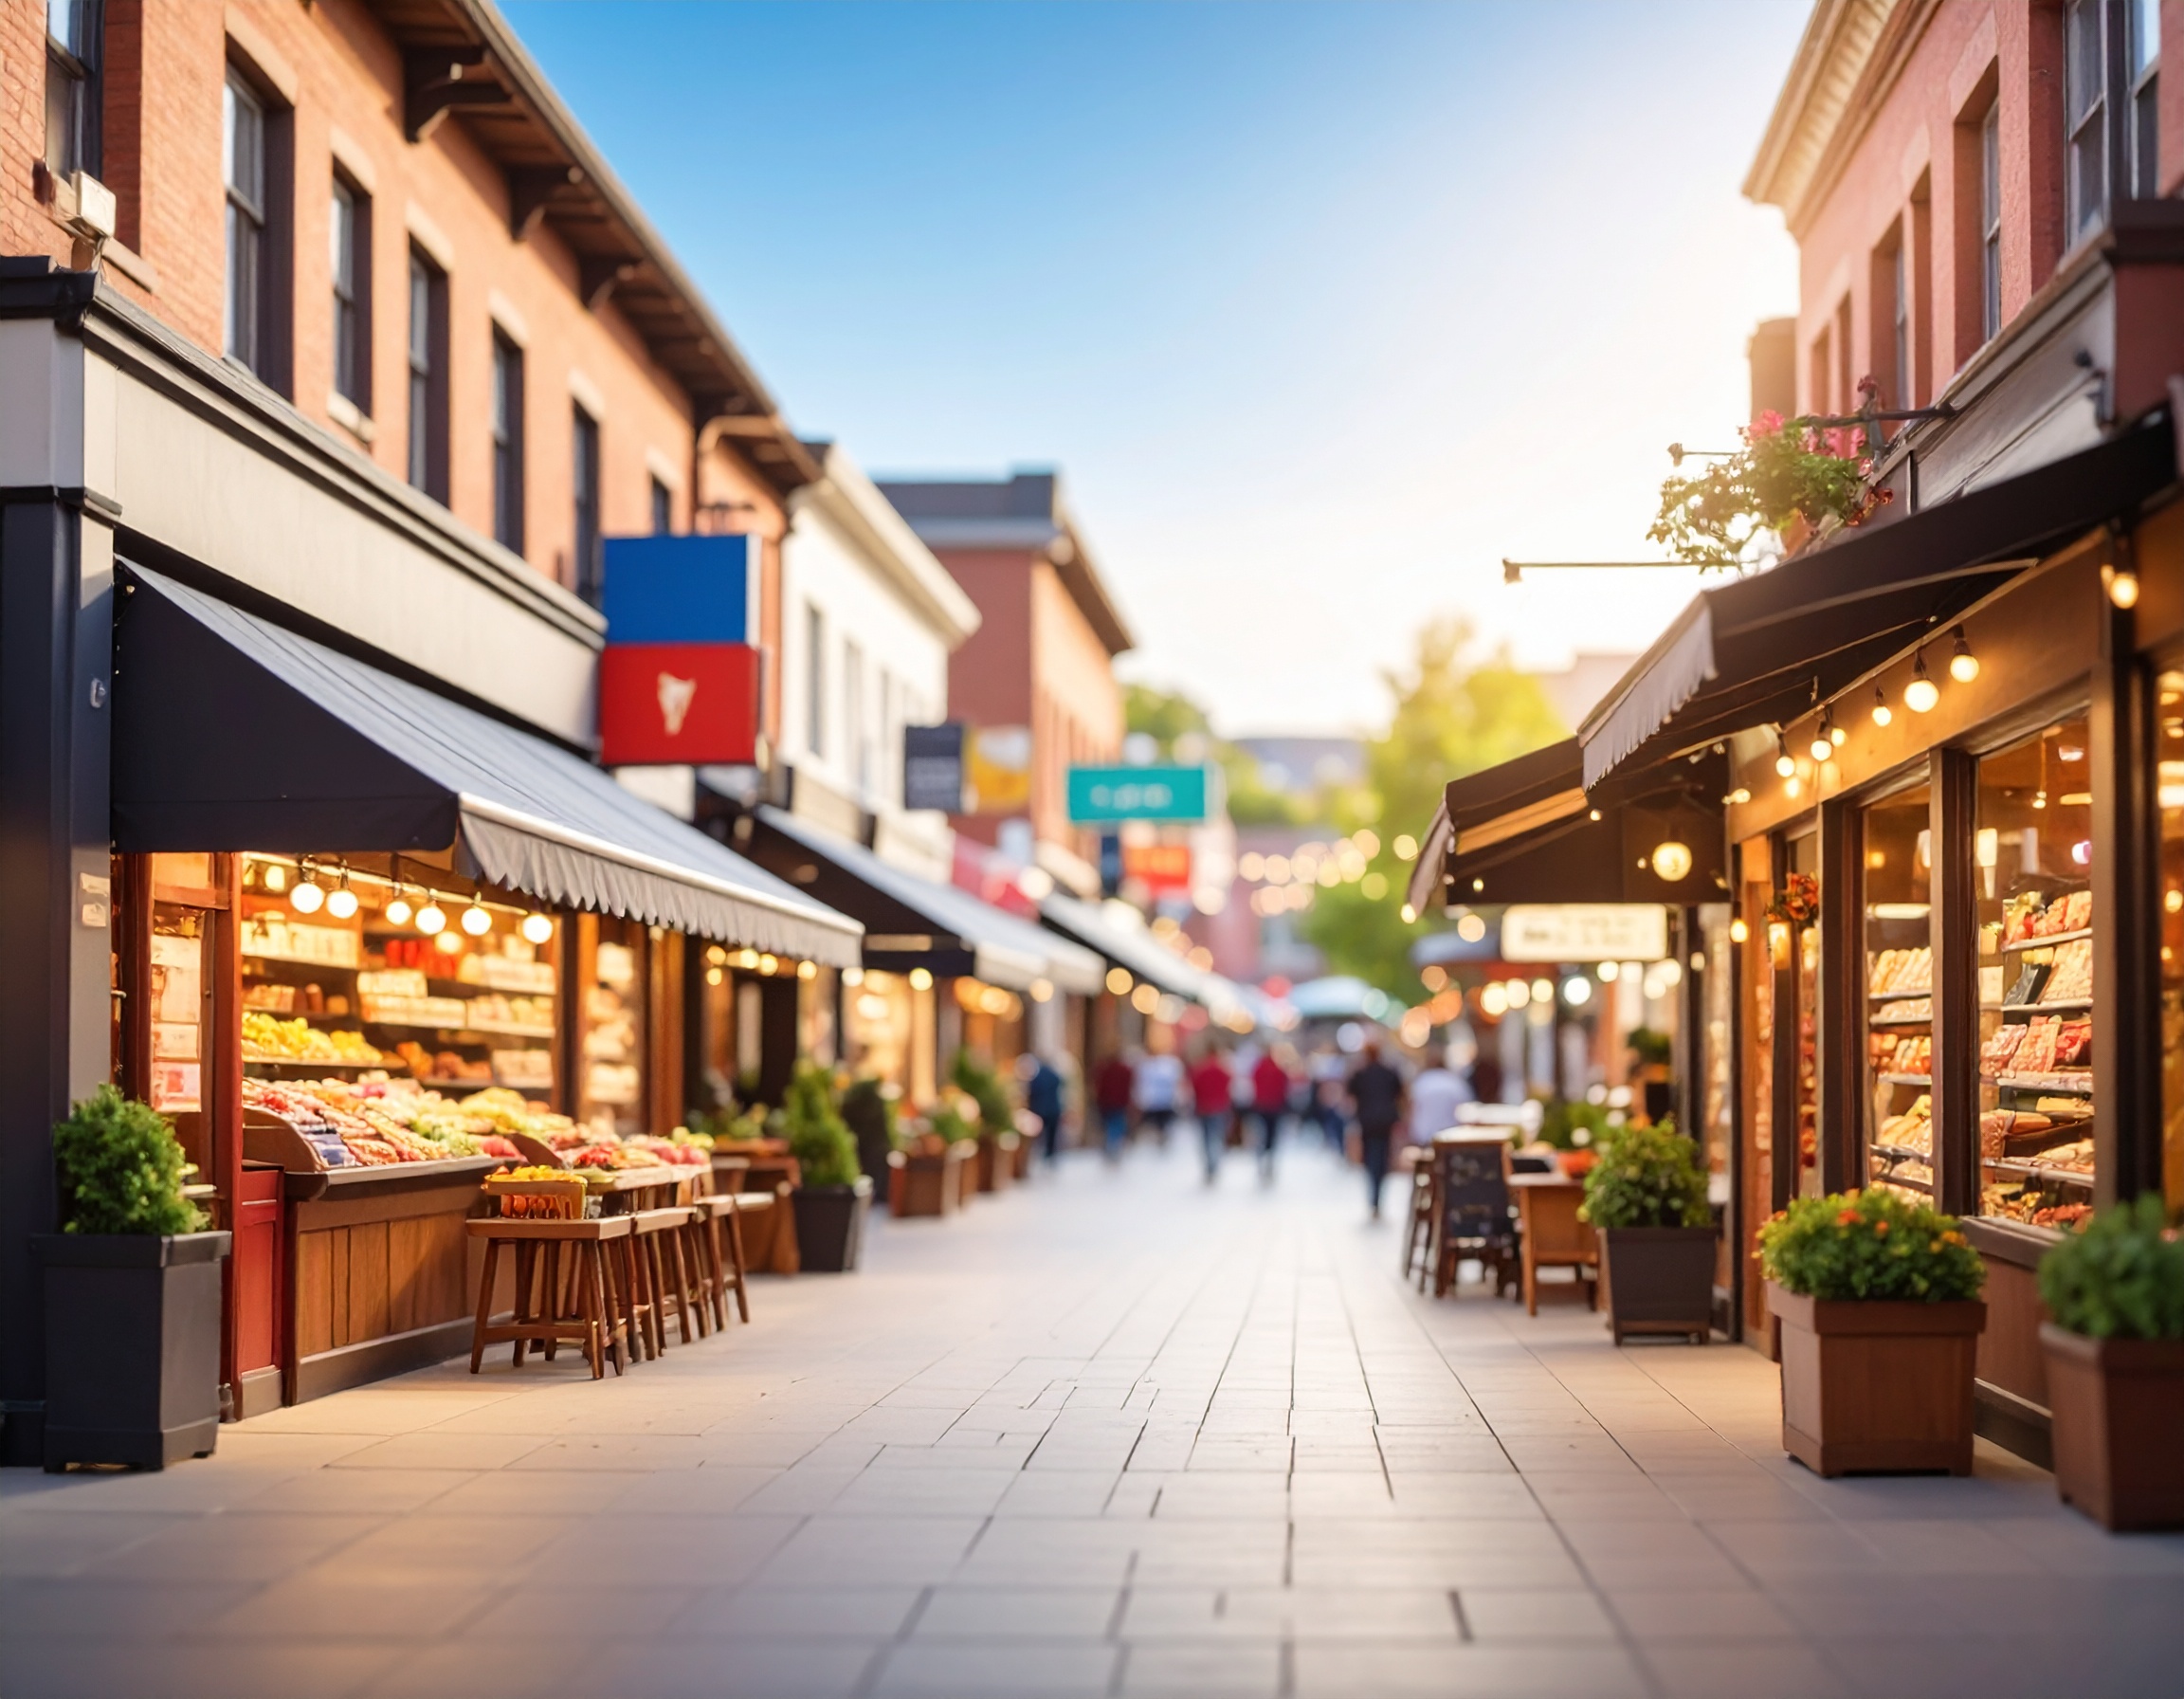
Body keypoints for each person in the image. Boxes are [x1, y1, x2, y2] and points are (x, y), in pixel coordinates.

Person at [1347, 1041, 1406, 1218]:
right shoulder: (1388, 1073)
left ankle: (1374, 1194)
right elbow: (1400, 1095)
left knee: (1371, 1158)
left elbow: (1350, 1094)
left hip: (1368, 1122)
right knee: (1382, 1157)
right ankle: (1377, 1194)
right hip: (1385, 1121)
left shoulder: (1361, 1074)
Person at [1408, 1044, 1469, 1150]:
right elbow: (1466, 1106)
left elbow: (1412, 1108)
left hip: (1424, 1134)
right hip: (1450, 1134)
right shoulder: (1454, 1081)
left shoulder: (1422, 1081)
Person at [1189, 1045, 1233, 1183]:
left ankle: (1209, 1165)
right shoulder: (1223, 1069)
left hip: (1203, 1108)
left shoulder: (1199, 1068)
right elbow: (1229, 1086)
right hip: (1219, 1108)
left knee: (1206, 1138)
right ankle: (1214, 1164)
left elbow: (1194, 1087)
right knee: (1217, 1137)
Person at [1249, 1046, 1291, 1181]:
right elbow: (1285, 1087)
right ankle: (1269, 1160)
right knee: (1272, 1135)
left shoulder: (1258, 1069)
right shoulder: (1278, 1070)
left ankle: (1262, 1159)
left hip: (1261, 1106)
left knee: (1261, 1135)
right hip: (1274, 1107)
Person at [1135, 1045, 1183, 1143]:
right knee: (1161, 1122)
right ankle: (1161, 1136)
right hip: (1160, 1101)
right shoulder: (1165, 1065)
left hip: (1161, 1101)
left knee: (1161, 1122)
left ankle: (1161, 1136)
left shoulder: (1167, 1065)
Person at [1093, 1050, 1136, 1162]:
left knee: (1112, 1125)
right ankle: (1113, 1148)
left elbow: (1100, 1086)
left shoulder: (1105, 1070)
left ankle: (1111, 1148)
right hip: (1119, 1102)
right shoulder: (1123, 1070)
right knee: (1117, 1125)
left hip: (1108, 1102)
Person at [1025, 1051, 1065, 1165]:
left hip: (1040, 1108)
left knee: (1040, 1134)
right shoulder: (1055, 1075)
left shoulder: (1037, 1077)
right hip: (1053, 1108)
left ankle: (1041, 1153)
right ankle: (1050, 1153)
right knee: (1052, 1134)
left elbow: (1032, 1091)